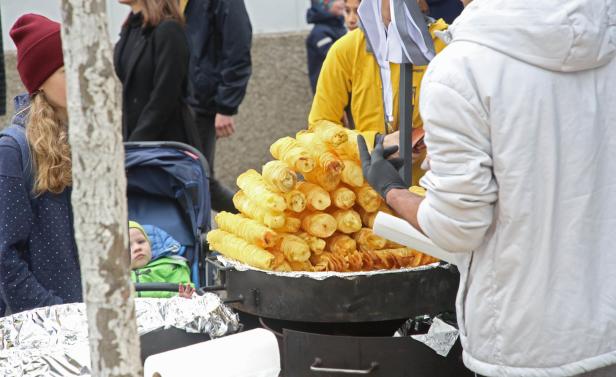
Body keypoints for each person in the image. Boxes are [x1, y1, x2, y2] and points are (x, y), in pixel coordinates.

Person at [358, 0, 616, 376]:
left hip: (526, 341)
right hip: (606, 325)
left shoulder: (460, 70)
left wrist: (392, 189)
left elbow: (456, 227)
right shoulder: (604, 44)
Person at [309, 0, 448, 186]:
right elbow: (319, 125)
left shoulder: (447, 45)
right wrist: (375, 143)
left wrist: (437, 142)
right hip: (369, 191)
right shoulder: (347, 49)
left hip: (431, 191)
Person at [0, 14, 82, 315]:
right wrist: (59, 315)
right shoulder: (12, 149)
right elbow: (5, 260)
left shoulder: (85, 142)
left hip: (87, 323)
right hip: (44, 331)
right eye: (64, 69)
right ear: (40, 81)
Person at [182, 0, 252, 213]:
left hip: (203, 102)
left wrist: (226, 106)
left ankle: (257, 220)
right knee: (191, 178)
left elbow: (237, 47)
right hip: (180, 100)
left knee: (201, 180)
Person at [114, 0, 200, 147]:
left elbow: (165, 97)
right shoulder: (130, 30)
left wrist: (137, 144)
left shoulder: (169, 30)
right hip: (136, 142)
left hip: (166, 147)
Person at [129, 221, 194, 299]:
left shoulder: (171, 267)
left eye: (141, 242)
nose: (137, 248)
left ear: (150, 245)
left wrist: (184, 295)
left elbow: (186, 287)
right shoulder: (116, 278)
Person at [306, 0, 346, 93]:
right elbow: (334, 57)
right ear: (325, 4)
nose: (342, 2)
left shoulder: (338, 27)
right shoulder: (319, 32)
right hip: (328, 90)